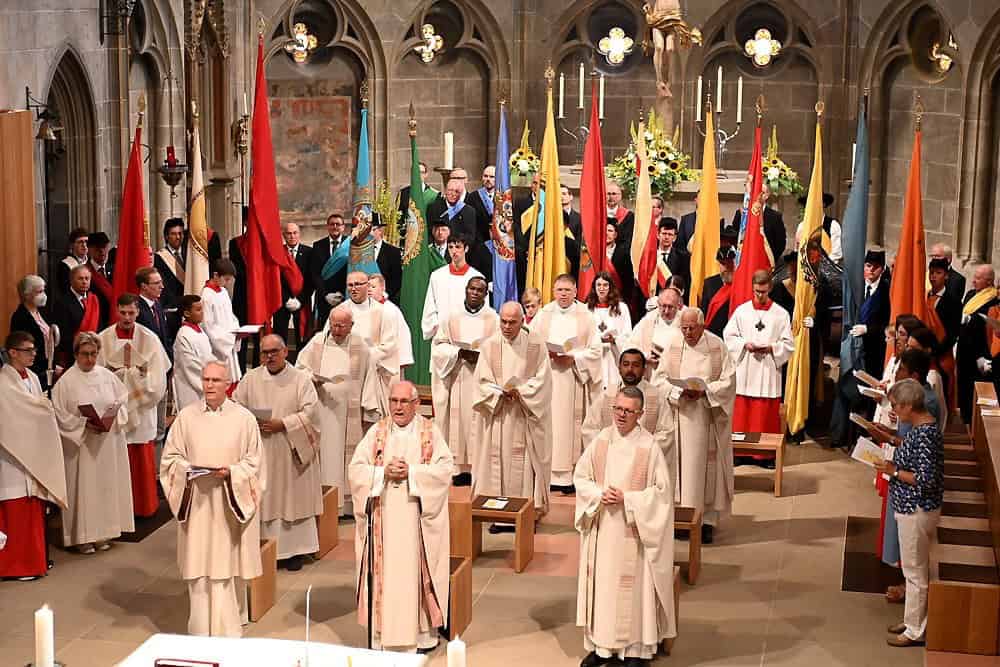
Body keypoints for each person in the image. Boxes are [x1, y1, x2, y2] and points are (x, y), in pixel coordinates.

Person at [160, 360, 264, 637]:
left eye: (215, 380)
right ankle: (199, 630)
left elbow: (254, 463)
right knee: (197, 567)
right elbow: (170, 460)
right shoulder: (186, 417)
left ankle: (227, 630)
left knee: (223, 567)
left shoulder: (244, 419)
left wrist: (232, 473)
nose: (209, 385)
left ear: (228, 384)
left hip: (228, 503)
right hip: (196, 503)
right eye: (205, 380)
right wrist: (187, 470)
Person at [348, 380, 453, 653]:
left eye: (404, 401)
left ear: (416, 404)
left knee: (413, 578)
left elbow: (445, 470)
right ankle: (381, 636)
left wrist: (412, 473)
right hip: (383, 520)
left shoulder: (430, 432)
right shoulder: (377, 432)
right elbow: (356, 469)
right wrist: (382, 473)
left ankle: (421, 636)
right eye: (393, 400)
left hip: (415, 522)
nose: (398, 407)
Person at [574, 385, 676, 667]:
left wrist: (628, 499)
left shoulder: (649, 446)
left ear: (640, 414)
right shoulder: (602, 440)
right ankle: (601, 648)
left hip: (635, 532)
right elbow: (581, 477)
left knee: (634, 592)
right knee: (604, 590)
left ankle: (635, 651)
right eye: (618, 409)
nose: (621, 415)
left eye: (629, 411)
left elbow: (662, 494)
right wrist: (598, 494)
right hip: (604, 530)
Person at [234, 334, 320, 571]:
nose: (269, 357)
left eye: (274, 352)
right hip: (260, 449)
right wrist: (251, 421)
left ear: (285, 352)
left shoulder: (301, 380)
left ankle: (295, 551)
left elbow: (311, 413)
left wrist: (283, 424)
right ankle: (264, 547)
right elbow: (236, 406)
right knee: (266, 498)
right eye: (265, 352)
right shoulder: (251, 379)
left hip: (291, 451)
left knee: (292, 500)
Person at [869, 378, 943, 648]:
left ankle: (915, 630)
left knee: (915, 572)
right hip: (910, 507)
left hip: (917, 508)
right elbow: (912, 453)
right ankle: (912, 619)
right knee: (912, 569)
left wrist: (894, 471)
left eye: (897, 406)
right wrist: (890, 442)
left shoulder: (926, 434)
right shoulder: (920, 428)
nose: (894, 410)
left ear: (910, 405)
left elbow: (926, 479)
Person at [655, 308, 736, 543]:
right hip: (679, 417)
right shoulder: (673, 345)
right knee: (679, 469)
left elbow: (729, 381)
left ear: (702, 326)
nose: (688, 333)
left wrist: (705, 391)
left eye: (692, 328)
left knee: (704, 469)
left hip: (706, 417)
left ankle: (706, 521)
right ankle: (682, 519)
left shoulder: (716, 346)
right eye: (684, 328)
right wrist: (678, 391)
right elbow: (658, 379)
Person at [51, 332, 133, 553]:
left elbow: (122, 398)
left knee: (105, 487)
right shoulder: (66, 382)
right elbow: (58, 414)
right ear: (76, 354)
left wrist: (113, 414)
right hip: (82, 446)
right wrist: (82, 423)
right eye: (85, 354)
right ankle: (82, 537)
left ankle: (104, 533)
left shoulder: (106, 376)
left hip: (106, 442)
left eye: (94, 354)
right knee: (84, 489)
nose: (90, 359)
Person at [297, 308, 382, 516]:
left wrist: (369, 410)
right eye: (334, 325)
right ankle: (320, 502)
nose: (336, 330)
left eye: (342, 326)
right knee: (324, 456)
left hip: (347, 415)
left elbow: (370, 378)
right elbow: (299, 369)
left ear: (351, 326)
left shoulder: (360, 347)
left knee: (344, 458)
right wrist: (311, 378)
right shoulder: (317, 342)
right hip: (320, 409)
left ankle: (345, 506)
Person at [472, 301, 553, 519]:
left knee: (524, 465)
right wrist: (498, 393)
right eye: (503, 322)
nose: (507, 327)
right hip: (498, 414)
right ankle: (496, 512)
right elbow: (481, 381)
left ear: (522, 321)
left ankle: (525, 514)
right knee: (495, 462)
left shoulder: (536, 345)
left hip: (523, 414)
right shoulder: (490, 345)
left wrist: (522, 392)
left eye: (512, 322)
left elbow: (544, 380)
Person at [97, 294, 171, 518]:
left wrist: (134, 380)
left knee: (140, 455)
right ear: (116, 311)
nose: (127, 317)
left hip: (141, 407)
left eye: (131, 313)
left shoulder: (149, 339)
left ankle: (143, 506)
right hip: (115, 407)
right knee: (117, 455)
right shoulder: (103, 339)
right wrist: (122, 377)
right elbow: (98, 373)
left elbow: (158, 377)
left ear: (138, 312)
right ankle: (118, 509)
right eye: (123, 312)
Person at [0, 331, 67, 580]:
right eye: (28, 350)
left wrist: (43, 411)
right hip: (13, 455)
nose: (33, 354)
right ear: (12, 353)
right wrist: (42, 411)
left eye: (34, 350)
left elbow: (39, 408)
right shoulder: (3, 383)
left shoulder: (32, 378)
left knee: (33, 508)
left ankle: (34, 561)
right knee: (15, 511)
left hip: (33, 452)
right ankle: (15, 566)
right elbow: (11, 419)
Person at [530, 274, 602, 490]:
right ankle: (547, 474)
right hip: (549, 378)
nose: (563, 294)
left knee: (570, 427)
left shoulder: (586, 316)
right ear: (553, 291)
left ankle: (569, 477)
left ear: (575, 292)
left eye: (567, 290)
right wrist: (547, 354)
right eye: (559, 290)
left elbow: (596, 351)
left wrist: (574, 358)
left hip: (573, 379)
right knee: (550, 425)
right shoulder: (543, 315)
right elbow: (530, 344)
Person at [723, 270, 794, 465]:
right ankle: (740, 453)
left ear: (769, 288)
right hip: (746, 368)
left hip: (768, 369)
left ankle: (765, 455)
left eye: (763, 291)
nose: (760, 295)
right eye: (756, 291)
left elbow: (789, 344)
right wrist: (744, 344)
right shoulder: (742, 311)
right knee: (743, 412)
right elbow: (729, 336)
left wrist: (772, 348)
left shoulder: (781, 314)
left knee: (764, 413)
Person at [431, 276, 497, 484]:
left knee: (478, 421)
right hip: (457, 376)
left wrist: (481, 356)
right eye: (472, 289)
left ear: (485, 294)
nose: (475, 293)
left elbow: (500, 349)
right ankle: (458, 469)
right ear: (466, 290)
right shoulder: (451, 317)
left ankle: (478, 468)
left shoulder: (494, 319)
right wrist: (458, 353)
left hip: (482, 379)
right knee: (456, 423)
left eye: (480, 290)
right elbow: (438, 346)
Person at [582, 349, 674, 481]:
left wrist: (643, 448)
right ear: (619, 368)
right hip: (611, 463)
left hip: (643, 463)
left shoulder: (657, 397)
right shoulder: (607, 395)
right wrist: (607, 448)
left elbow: (666, 432)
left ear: (644, 369)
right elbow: (590, 428)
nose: (630, 369)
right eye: (626, 364)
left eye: (636, 365)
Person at [336, 271, 399, 399]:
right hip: (344, 372)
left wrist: (364, 357)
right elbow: (329, 340)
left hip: (372, 373)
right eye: (350, 285)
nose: (353, 288)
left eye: (358, 284)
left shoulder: (382, 312)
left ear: (367, 285)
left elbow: (389, 346)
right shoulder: (339, 311)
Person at [422, 235, 485, 341]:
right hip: (442, 338)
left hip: (468, 337)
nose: (454, 251)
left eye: (458, 247)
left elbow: (483, 311)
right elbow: (430, 305)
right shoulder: (437, 276)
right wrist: (436, 328)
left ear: (466, 248)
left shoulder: (477, 277)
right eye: (450, 247)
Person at [957, 264, 998, 424]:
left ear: (989, 281)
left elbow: (987, 325)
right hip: (964, 347)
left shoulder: (993, 299)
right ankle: (965, 418)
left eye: (978, 278)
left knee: (976, 386)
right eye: (974, 277)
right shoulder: (970, 294)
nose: (973, 281)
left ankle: (975, 423)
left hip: (980, 351)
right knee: (963, 383)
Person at [10, 275, 59, 390]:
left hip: (48, 367)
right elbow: (23, 348)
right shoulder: (20, 317)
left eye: (43, 290)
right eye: (39, 292)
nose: (43, 295)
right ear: (27, 295)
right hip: (34, 369)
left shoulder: (42, 312)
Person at [585, 272, 633, 390]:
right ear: (594, 287)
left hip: (613, 357)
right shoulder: (587, 308)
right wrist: (596, 340)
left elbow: (628, 335)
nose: (601, 288)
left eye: (605, 285)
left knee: (613, 392)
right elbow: (583, 335)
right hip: (595, 357)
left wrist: (615, 340)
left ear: (610, 287)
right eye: (598, 285)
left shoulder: (621, 308)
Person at [851, 249, 892, 379]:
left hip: (875, 348)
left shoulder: (887, 292)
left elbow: (888, 322)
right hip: (854, 345)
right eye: (868, 266)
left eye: (876, 267)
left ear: (882, 269)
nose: (871, 270)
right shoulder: (855, 287)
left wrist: (868, 329)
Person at [273, 222, 314, 350]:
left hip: (302, 301)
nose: (292, 236)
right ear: (284, 235)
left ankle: (301, 361)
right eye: (289, 233)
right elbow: (275, 279)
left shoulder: (309, 252)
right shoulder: (278, 253)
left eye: (295, 233)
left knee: (302, 337)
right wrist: (286, 299)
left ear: (299, 234)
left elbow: (311, 280)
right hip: (282, 301)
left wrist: (299, 300)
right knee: (280, 337)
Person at [201, 259, 242, 385]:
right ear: (215, 275)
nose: (227, 283)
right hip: (219, 348)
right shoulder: (206, 296)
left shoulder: (223, 292)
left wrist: (237, 330)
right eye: (226, 279)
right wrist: (229, 338)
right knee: (222, 382)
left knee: (233, 380)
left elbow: (230, 316)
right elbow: (208, 326)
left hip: (229, 340)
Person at [173, 295, 215, 412]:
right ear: (187, 313)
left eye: (202, 309)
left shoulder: (199, 331)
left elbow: (208, 355)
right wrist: (210, 376)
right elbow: (190, 365)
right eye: (198, 310)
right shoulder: (183, 335)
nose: (202, 313)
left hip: (206, 378)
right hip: (190, 387)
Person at [730, 178, 786, 262]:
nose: (758, 195)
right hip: (744, 260)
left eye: (762, 193)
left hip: (766, 262)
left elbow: (780, 243)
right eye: (756, 192)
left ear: (767, 195)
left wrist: (769, 260)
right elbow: (734, 236)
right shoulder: (741, 214)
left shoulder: (775, 217)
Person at [55, 264, 100, 367]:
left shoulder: (94, 299)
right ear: (71, 280)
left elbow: (99, 326)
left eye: (87, 278)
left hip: (94, 353)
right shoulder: (62, 302)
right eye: (80, 278)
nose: (84, 282)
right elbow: (64, 334)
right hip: (73, 355)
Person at [309, 213, 349, 328]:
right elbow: (315, 274)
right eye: (332, 224)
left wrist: (342, 293)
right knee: (324, 330)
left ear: (343, 227)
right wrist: (326, 294)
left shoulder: (351, 245)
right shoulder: (318, 246)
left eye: (338, 224)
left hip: (344, 298)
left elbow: (353, 271)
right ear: (327, 226)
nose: (335, 227)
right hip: (324, 298)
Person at [628, 287, 682, 374]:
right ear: (658, 304)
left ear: (678, 306)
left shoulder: (685, 321)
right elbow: (631, 344)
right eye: (663, 306)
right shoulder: (648, 320)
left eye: (670, 307)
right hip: (652, 372)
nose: (666, 311)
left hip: (675, 373)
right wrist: (644, 356)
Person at [369, 273, 413, 370]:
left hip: (390, 361)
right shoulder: (363, 309)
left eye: (373, 287)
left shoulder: (391, 310)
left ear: (382, 288)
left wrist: (402, 361)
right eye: (368, 287)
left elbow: (402, 335)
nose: (369, 290)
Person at [699, 245, 736, 338]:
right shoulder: (709, 283)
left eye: (729, 263)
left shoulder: (741, 284)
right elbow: (703, 312)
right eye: (723, 263)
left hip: (734, 335)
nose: (726, 267)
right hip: (714, 335)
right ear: (718, 264)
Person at [796, 192, 842, 263]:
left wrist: (817, 265)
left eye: (814, 202)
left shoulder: (833, 225)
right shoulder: (802, 226)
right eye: (808, 203)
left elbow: (836, 254)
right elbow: (798, 251)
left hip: (827, 267)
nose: (811, 206)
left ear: (823, 204)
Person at [135, 266, 171, 356]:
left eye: (161, 282)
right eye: (156, 283)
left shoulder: (157, 305)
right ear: (144, 286)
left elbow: (165, 337)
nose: (162, 287)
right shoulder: (136, 309)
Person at [154, 218, 187, 314]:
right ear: (166, 236)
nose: (178, 237)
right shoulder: (159, 258)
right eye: (173, 234)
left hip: (189, 306)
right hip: (172, 308)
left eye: (180, 233)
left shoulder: (189, 255)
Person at [604, 221, 635, 316]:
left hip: (618, 298)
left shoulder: (624, 253)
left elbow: (628, 280)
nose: (606, 233)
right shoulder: (596, 253)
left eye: (610, 231)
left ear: (615, 235)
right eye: (604, 230)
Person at [84, 231, 115, 328]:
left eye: (104, 247)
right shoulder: (84, 272)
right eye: (97, 248)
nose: (102, 251)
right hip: (97, 322)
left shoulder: (115, 270)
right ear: (89, 249)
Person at [653, 218, 690, 294]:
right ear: (658, 235)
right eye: (664, 233)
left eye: (670, 234)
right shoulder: (650, 256)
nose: (666, 237)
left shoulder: (684, 258)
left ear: (675, 238)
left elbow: (685, 285)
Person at [373, 218, 403, 305]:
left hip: (385, 301)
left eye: (372, 230)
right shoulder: (360, 252)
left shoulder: (393, 252)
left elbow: (396, 280)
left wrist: (383, 296)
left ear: (380, 231)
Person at [56, 227, 90, 293]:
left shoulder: (91, 262)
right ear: (72, 245)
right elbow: (65, 289)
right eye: (80, 242)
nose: (84, 245)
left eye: (86, 241)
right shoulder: (65, 265)